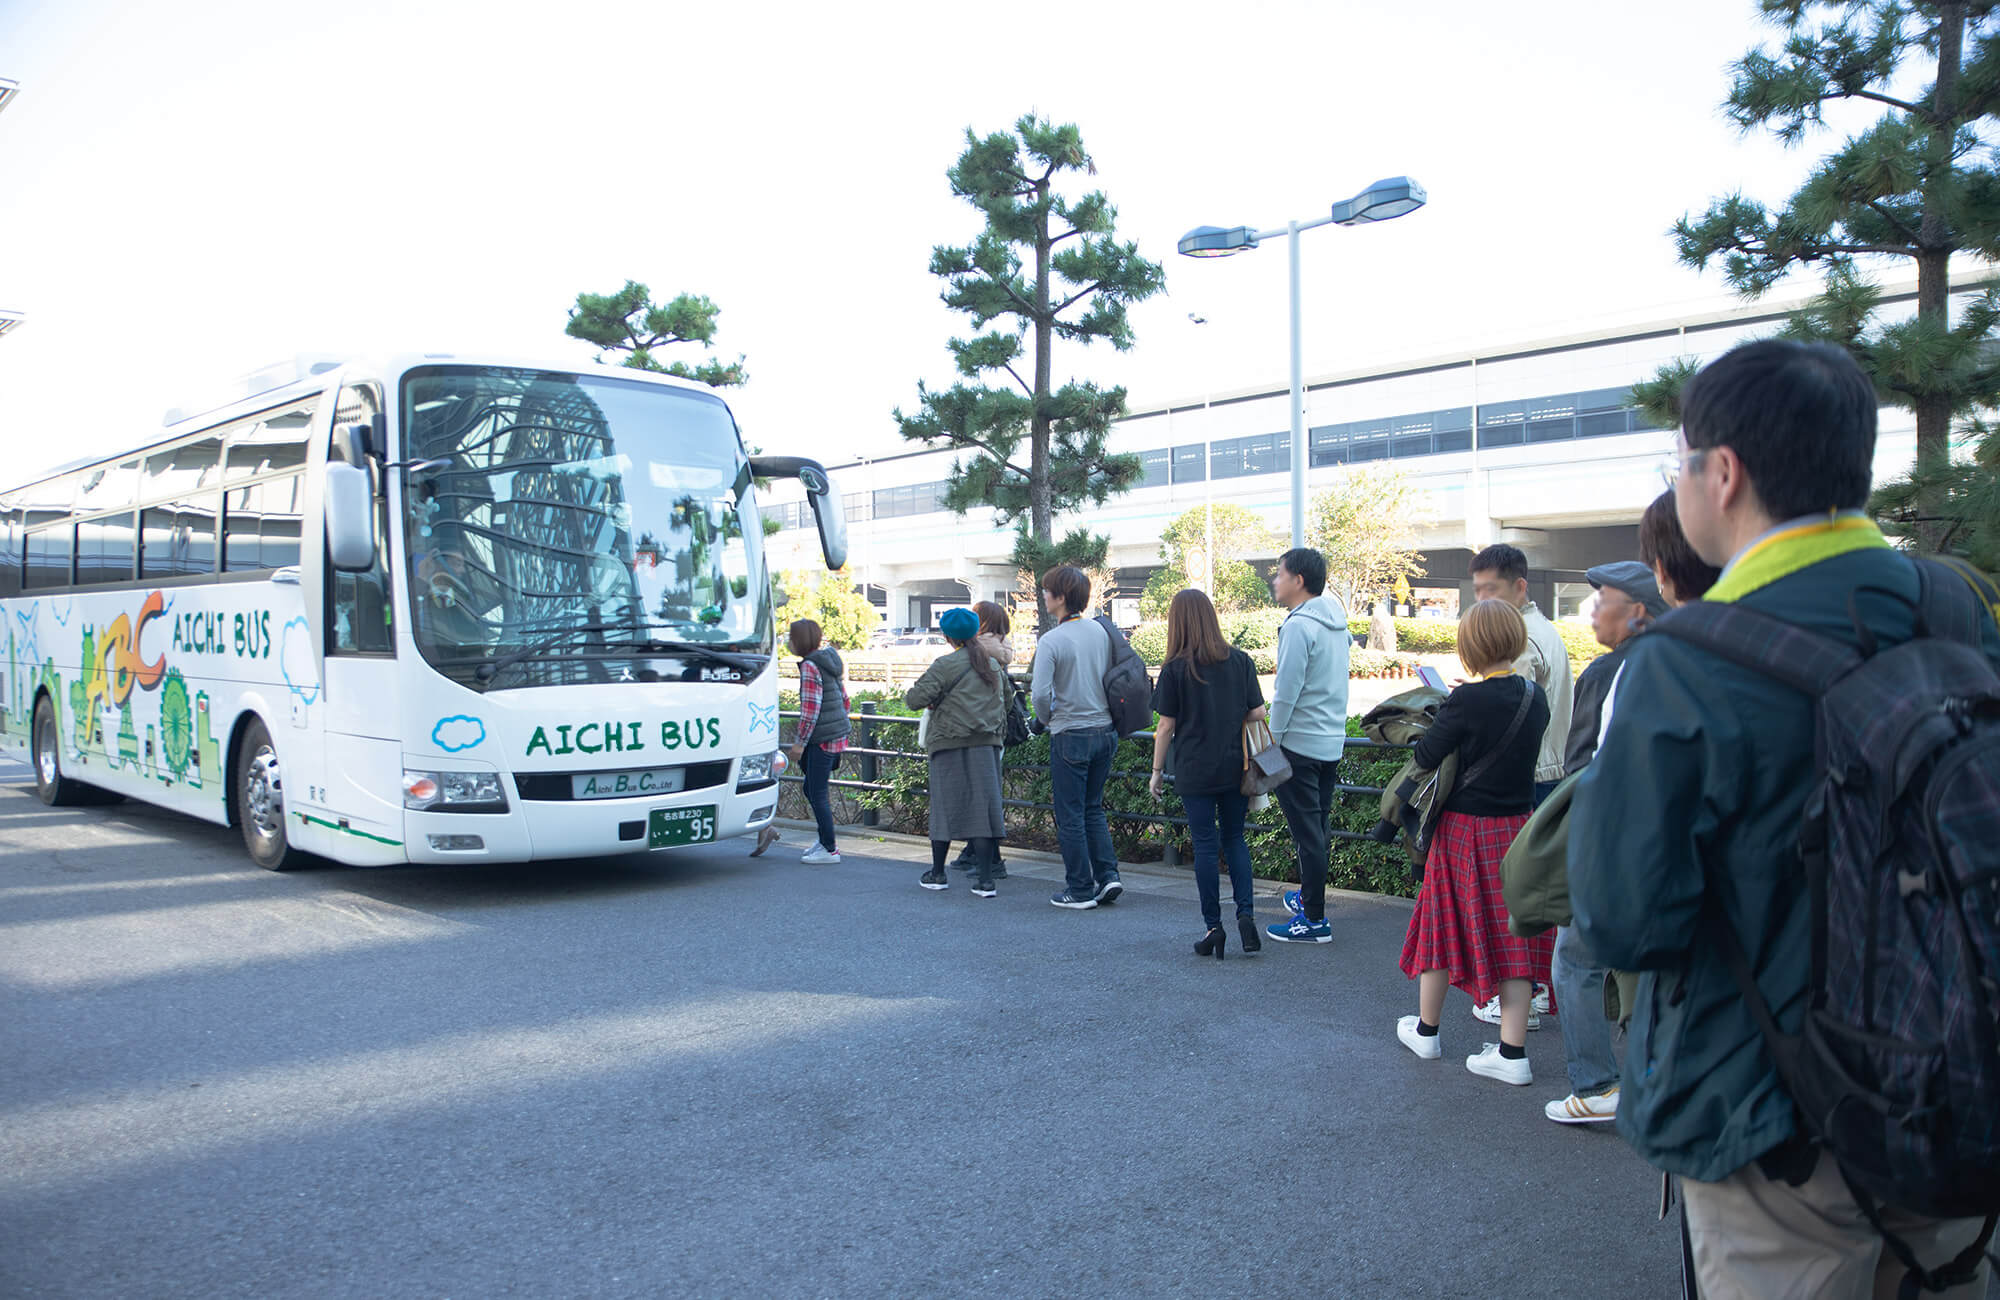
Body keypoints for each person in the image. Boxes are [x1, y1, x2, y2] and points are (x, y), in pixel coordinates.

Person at [1571, 340, 1999, 1297]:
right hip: (1957, 1081)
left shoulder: (1683, 662)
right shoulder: (1960, 602)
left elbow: (1621, 918)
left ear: (1722, 473)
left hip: (1771, 1119)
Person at [1396, 598, 1552, 1085]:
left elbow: (1426, 754)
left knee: (1440, 926)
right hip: (1518, 826)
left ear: (1469, 646)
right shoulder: (1534, 696)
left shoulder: (1466, 701)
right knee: (1515, 931)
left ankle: (1427, 1031)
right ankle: (1512, 1053)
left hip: (1464, 830)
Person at [1541, 560, 1666, 1126]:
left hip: (1615, 846)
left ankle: (1595, 1086)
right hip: (1668, 845)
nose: (1593, 609)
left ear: (1637, 610)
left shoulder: (1610, 672)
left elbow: (1582, 768)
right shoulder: (1679, 660)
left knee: (1574, 961)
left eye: (1603, 599)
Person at [1148, 588, 1267, 959]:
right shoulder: (1240, 660)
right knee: (1235, 841)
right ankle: (1246, 916)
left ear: (1177, 623)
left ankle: (1213, 927)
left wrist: (1155, 772)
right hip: (1235, 766)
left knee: (1203, 844)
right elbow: (1259, 713)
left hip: (1194, 769)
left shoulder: (1175, 669)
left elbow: (1166, 726)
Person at [1264, 547, 1351, 944]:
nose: (1275, 581)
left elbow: (1286, 693)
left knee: (1308, 834)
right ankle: (1308, 899)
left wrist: (1271, 742)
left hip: (1298, 743)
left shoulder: (1299, 626)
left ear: (1299, 580)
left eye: (1279, 574)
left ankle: (1314, 919)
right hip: (1330, 740)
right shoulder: (1336, 622)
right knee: (1318, 828)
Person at [1030, 565, 1123, 910]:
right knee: (1093, 808)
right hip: (1105, 731)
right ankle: (1108, 876)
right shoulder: (1100, 632)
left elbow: (1040, 695)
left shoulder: (1052, 640)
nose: (1043, 595)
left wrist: (1046, 720)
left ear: (1061, 597)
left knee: (1069, 814)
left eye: (1047, 590)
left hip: (1070, 732)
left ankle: (1080, 889)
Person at [904, 606, 1008, 897]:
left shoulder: (944, 665)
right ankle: (986, 880)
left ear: (948, 636)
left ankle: (938, 873)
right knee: (984, 809)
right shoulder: (993, 665)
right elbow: (1007, 702)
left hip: (948, 744)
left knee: (945, 808)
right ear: (975, 632)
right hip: (986, 745)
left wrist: (936, 703)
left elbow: (914, 699)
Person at [1468, 543, 1572, 806]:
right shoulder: (1541, 625)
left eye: (1491, 589)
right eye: (1477, 590)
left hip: (1532, 775)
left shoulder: (1520, 638)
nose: (1482, 600)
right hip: (1551, 766)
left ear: (1520, 587)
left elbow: (1513, 710)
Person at [951, 601, 1016, 879]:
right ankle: (974, 853)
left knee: (980, 796)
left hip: (976, 731)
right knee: (983, 793)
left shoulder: (976, 651)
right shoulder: (1003, 649)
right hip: (995, 730)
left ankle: (991, 861)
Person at [783, 619, 849, 864]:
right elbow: (844, 699)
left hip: (821, 738)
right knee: (811, 788)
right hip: (834, 734)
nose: (788, 642)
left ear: (799, 640)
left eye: (790, 637)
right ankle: (824, 840)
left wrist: (799, 742)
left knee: (817, 792)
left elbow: (810, 709)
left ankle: (830, 848)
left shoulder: (811, 666)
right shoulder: (828, 661)